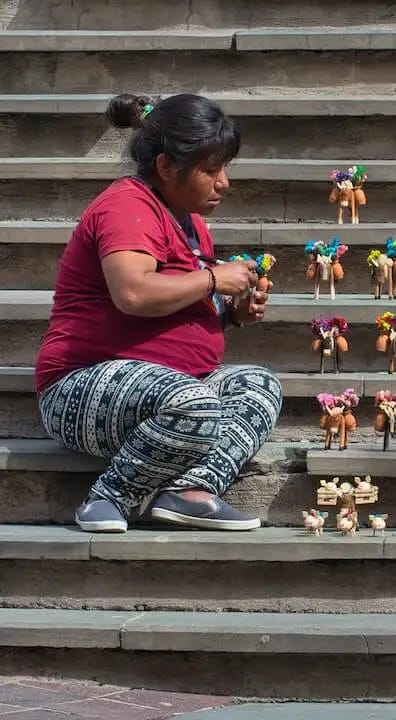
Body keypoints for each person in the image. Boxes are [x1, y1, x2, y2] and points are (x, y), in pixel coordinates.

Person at [34, 92, 283, 534]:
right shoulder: (127, 206)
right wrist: (212, 280)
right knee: (197, 406)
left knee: (259, 386)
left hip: (168, 388)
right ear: (167, 167)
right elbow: (133, 293)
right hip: (81, 385)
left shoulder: (190, 222)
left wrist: (232, 314)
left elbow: (175, 306)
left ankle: (192, 492)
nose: (223, 183)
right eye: (211, 170)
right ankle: (109, 497)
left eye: (224, 168)